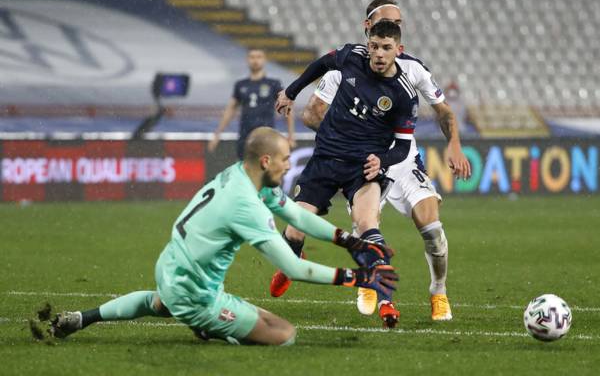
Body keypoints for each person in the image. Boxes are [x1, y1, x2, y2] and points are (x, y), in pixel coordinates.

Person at [48, 127, 397, 346]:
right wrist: (360, 278)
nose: (290, 166)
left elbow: (294, 214)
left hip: (170, 267)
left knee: (158, 303)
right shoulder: (247, 205)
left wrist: (352, 241)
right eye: (285, 160)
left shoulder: (241, 176)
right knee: (284, 335)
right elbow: (293, 268)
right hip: (197, 295)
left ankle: (84, 317)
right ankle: (209, 328)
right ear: (265, 160)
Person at [283, 0, 471, 322]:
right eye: (387, 22)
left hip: (402, 157)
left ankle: (438, 292)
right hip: (361, 159)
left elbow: (443, 112)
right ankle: (370, 283)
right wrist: (344, 142)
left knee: (433, 230)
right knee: (364, 225)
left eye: (398, 24)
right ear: (368, 28)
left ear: (398, 42)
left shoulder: (413, 71)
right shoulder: (349, 62)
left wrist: (454, 143)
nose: (394, 26)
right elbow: (313, 113)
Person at [271, 21, 427, 328]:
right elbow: (323, 63)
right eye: (374, 46)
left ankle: (385, 300)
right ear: (367, 44)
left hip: (363, 169)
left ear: (399, 50)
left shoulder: (403, 95)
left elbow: (402, 147)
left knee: (367, 224)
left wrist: (381, 160)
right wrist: (291, 91)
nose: (379, 54)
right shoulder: (351, 56)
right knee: (294, 230)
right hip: (325, 159)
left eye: (386, 48)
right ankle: (292, 262)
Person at [208, 48, 295, 159]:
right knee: (243, 169)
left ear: (264, 60)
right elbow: (230, 109)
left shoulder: (273, 84)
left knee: (266, 169)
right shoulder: (240, 85)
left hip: (266, 136)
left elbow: (287, 107)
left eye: (259, 57)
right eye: (252, 57)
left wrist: (291, 135)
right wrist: (217, 134)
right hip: (245, 136)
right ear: (247, 60)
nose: (255, 60)